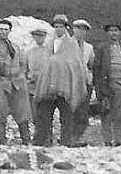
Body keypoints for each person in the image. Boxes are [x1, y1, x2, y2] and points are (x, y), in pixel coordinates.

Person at [33, 15, 87, 147]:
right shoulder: (49, 44)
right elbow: (45, 64)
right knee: (44, 116)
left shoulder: (72, 45)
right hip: (48, 86)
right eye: (56, 27)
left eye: (61, 27)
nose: (58, 29)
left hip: (65, 86)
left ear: (66, 28)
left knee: (66, 117)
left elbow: (75, 64)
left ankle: (65, 143)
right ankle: (41, 142)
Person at [0, 19, 32, 145]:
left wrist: (22, 76)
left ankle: (26, 138)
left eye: (6, 29)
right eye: (1, 29)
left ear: (10, 31)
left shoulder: (15, 46)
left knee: (22, 111)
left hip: (17, 83)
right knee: (0, 111)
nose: (3, 32)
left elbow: (23, 63)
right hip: (1, 82)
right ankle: (2, 139)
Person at [93, 23, 121, 146]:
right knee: (107, 111)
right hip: (107, 84)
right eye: (111, 30)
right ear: (107, 33)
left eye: (116, 30)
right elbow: (97, 69)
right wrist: (99, 87)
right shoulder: (101, 48)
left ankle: (119, 139)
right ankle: (107, 140)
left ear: (120, 33)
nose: (113, 33)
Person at [71, 19, 96, 145]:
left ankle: (77, 136)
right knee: (69, 110)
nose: (81, 31)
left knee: (82, 111)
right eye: (78, 28)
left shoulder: (89, 47)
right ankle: (68, 136)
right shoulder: (65, 44)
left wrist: (90, 77)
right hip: (70, 81)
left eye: (84, 29)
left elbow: (91, 64)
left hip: (85, 82)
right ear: (73, 29)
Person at [22, 27, 49, 123]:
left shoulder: (50, 52)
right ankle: (38, 135)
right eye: (37, 35)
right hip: (32, 87)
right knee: (34, 113)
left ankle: (47, 136)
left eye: (41, 35)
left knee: (46, 113)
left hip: (46, 87)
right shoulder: (28, 52)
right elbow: (24, 70)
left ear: (45, 36)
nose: (39, 38)